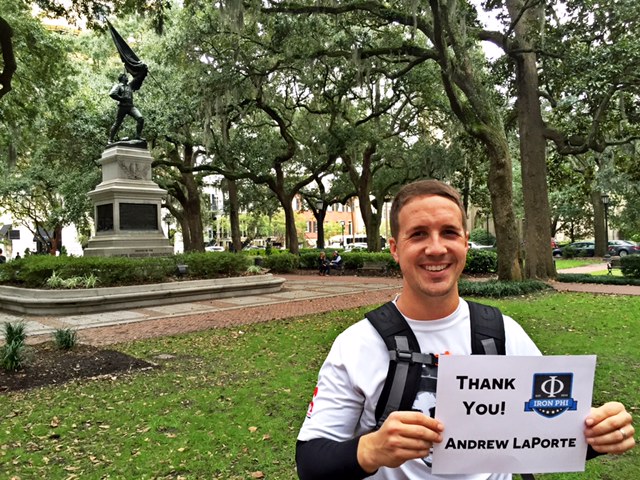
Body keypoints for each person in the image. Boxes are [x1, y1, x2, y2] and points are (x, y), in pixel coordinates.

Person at [296, 179, 635, 479]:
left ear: (465, 243)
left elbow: (547, 436)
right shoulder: (357, 344)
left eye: (449, 232)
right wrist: (371, 449)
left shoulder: (504, 333)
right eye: (418, 234)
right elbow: (311, 462)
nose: (436, 248)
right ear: (395, 249)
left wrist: (598, 435)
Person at [108, 72, 144, 143]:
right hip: (122, 107)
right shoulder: (118, 86)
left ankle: (138, 136)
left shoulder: (130, 85)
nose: (127, 77)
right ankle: (110, 139)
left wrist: (142, 71)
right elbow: (112, 93)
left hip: (131, 106)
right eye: (125, 76)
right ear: (122, 78)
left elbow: (137, 78)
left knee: (140, 118)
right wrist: (121, 98)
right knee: (117, 123)